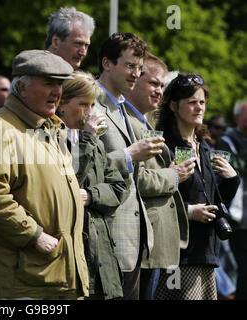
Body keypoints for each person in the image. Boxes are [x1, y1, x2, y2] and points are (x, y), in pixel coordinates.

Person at [0, 50, 89, 299]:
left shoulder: (50, 127)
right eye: (48, 83)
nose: (57, 91)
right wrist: (33, 235)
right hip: (20, 280)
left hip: (50, 277)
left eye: (60, 84)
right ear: (22, 88)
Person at [155, 74, 239, 300]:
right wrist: (191, 212)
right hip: (178, 255)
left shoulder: (204, 148)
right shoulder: (162, 146)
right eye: (191, 102)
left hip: (206, 253)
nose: (199, 107)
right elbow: (154, 198)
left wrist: (232, 181)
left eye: (202, 102)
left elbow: (216, 203)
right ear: (173, 105)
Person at [123, 54, 193, 300]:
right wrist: (173, 175)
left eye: (162, 86)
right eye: (153, 83)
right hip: (139, 241)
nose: (159, 91)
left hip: (155, 242)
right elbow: (134, 180)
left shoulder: (142, 122)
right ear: (133, 80)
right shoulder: (126, 122)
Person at [96, 32, 160, 299]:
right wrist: (129, 155)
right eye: (130, 65)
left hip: (132, 243)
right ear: (107, 63)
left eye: (139, 68)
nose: (136, 74)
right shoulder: (90, 104)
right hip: (105, 242)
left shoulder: (122, 106)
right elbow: (80, 168)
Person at [57, 71, 128, 300]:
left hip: (102, 251)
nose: (89, 113)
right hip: (71, 251)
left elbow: (119, 188)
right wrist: (87, 139)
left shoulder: (92, 141)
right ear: (62, 105)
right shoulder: (49, 140)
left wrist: (91, 195)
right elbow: (67, 186)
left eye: (92, 105)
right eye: (82, 105)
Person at [217, 100, 247, 299]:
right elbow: (236, 170)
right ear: (237, 119)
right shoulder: (227, 141)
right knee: (239, 269)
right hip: (237, 220)